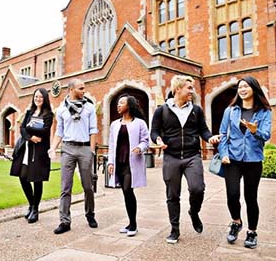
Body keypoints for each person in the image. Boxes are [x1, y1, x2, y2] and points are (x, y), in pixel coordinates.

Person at [150, 74, 220, 244]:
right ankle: (174, 229)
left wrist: (210, 138)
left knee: (197, 189)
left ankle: (194, 212)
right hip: (171, 157)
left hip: (192, 155)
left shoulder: (196, 110)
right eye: (189, 88)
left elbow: (203, 130)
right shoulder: (162, 110)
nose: (192, 91)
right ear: (178, 89)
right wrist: (158, 140)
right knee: (172, 195)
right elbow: (154, 131)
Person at [218, 76, 271, 249]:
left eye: (246, 86)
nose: (242, 89)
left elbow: (266, 135)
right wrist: (223, 153)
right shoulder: (231, 110)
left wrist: (255, 131)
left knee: (251, 197)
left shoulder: (264, 111)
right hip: (232, 159)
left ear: (254, 89)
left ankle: (252, 231)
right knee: (232, 195)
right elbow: (223, 134)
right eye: (240, 87)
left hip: (253, 160)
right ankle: (236, 222)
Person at [48, 79, 98, 234]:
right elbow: (59, 132)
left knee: (88, 186)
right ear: (71, 89)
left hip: (84, 148)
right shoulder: (62, 109)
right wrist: (53, 148)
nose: (84, 90)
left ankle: (90, 214)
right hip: (67, 149)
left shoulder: (89, 107)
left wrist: (91, 151)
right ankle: (64, 221)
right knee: (65, 187)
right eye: (81, 88)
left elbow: (93, 130)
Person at [107, 94, 149, 237]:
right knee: (126, 192)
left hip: (132, 163)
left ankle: (134, 224)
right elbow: (111, 145)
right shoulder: (114, 124)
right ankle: (131, 223)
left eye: (121, 103)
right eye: (118, 103)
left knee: (127, 189)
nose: (118, 105)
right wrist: (110, 162)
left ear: (129, 105)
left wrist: (140, 148)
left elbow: (145, 141)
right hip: (119, 162)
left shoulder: (140, 123)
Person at [10, 88, 54, 224]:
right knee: (23, 177)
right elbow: (22, 128)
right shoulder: (29, 112)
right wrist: (30, 137)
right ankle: (31, 204)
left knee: (37, 180)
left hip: (39, 151)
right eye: (36, 96)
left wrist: (29, 129)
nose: (38, 99)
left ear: (45, 98)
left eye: (40, 97)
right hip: (27, 148)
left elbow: (45, 131)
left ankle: (35, 210)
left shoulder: (48, 114)